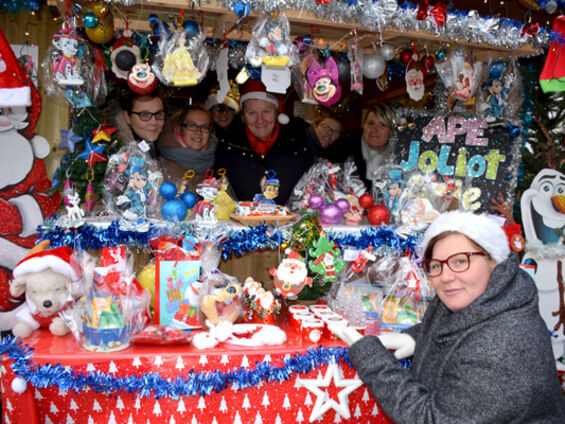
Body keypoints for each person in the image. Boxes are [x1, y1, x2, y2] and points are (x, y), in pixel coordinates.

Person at [331, 211, 565, 423]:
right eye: (435, 265)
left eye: (460, 261)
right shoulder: (485, 296)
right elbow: (456, 327)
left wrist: (371, 358)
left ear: (493, 260)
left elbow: (431, 418)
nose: (446, 276)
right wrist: (417, 337)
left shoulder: (502, 344)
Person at [214, 79, 315, 204]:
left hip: (289, 221)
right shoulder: (228, 144)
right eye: (252, 113)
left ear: (276, 112)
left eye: (266, 111)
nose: (260, 120)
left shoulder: (300, 141)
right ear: (244, 116)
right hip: (239, 221)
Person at [156, 105, 217, 187]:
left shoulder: (219, 160)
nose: (198, 132)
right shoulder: (162, 166)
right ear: (179, 129)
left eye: (204, 127)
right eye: (192, 125)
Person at [351, 103, 396, 191]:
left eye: (382, 125)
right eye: (370, 123)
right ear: (363, 126)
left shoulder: (399, 159)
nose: (374, 129)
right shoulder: (344, 151)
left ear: (392, 131)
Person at [110, 90, 166, 158]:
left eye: (158, 114)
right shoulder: (117, 154)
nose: (154, 122)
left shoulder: (164, 146)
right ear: (127, 117)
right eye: (145, 115)